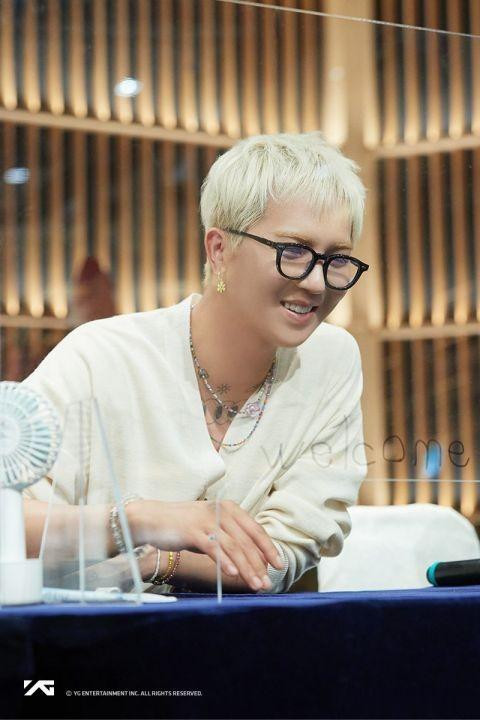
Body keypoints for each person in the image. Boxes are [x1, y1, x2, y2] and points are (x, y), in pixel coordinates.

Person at [22, 131, 369, 594]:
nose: (317, 283)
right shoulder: (101, 356)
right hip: (82, 633)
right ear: (219, 250)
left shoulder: (331, 359)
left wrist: (158, 561)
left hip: (234, 634)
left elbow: (278, 557)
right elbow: (9, 521)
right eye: (293, 252)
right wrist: (138, 520)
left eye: (337, 259)